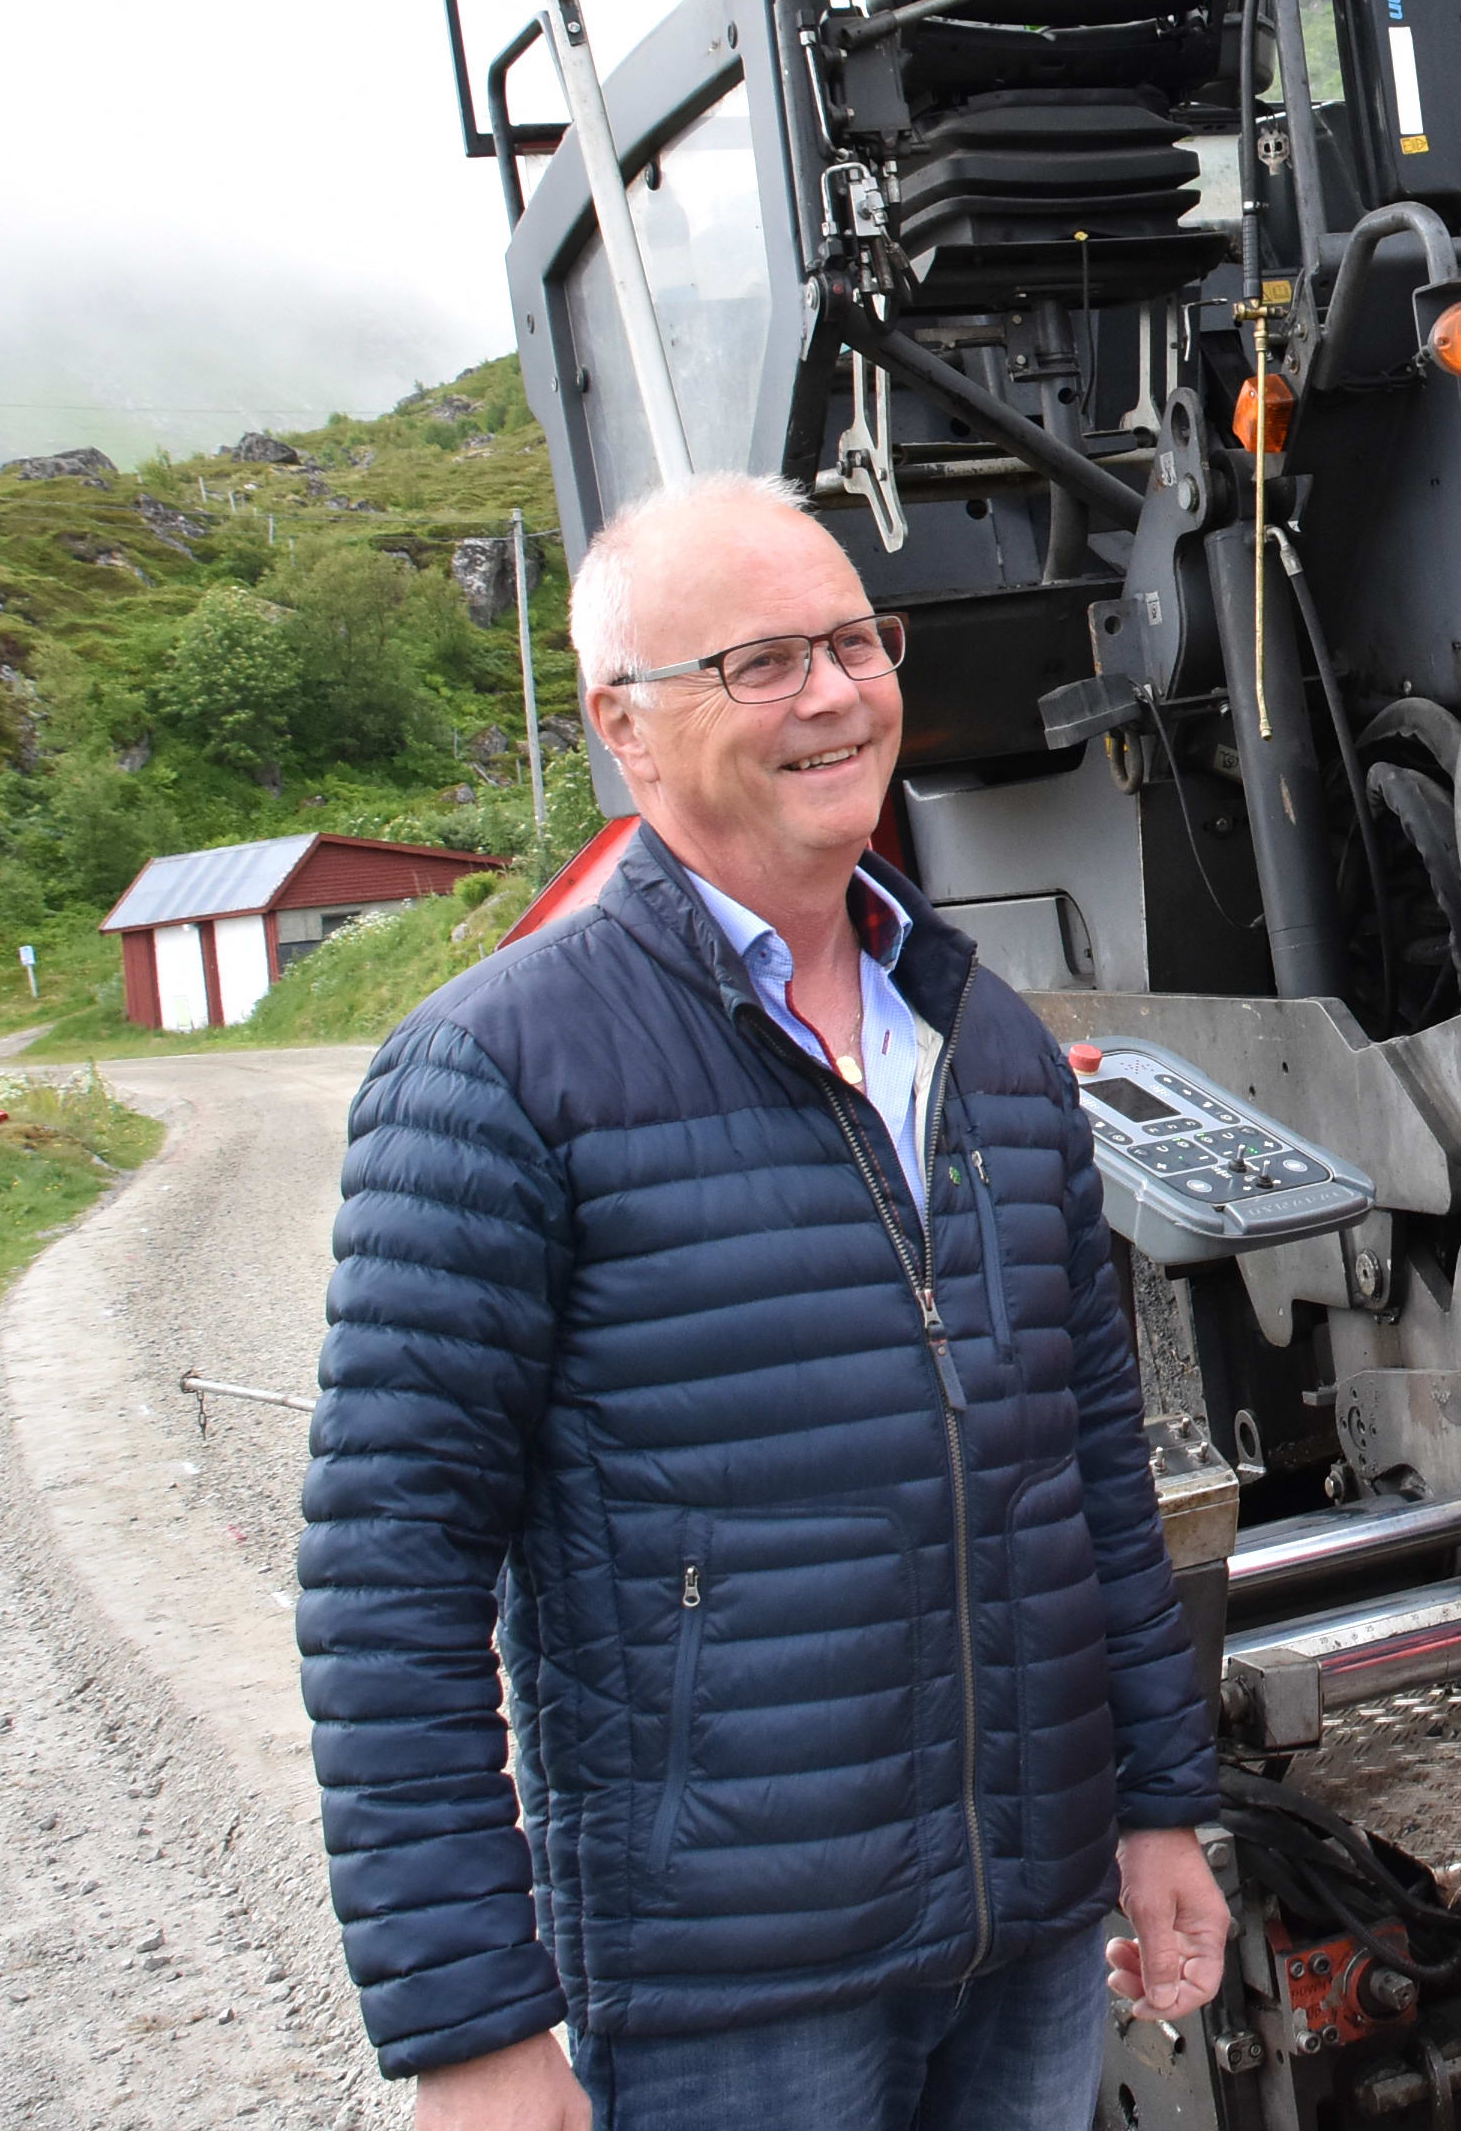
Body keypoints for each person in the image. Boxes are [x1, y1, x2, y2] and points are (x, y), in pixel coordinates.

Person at [299, 472, 1228, 2131]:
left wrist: (1158, 1808)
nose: (833, 696)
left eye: (855, 643)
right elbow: (390, 1579)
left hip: (1027, 1936)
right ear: (624, 728)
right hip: (732, 1990)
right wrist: (472, 2025)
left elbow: (1092, 1472)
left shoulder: (993, 1048)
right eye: (758, 663)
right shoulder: (494, 1075)